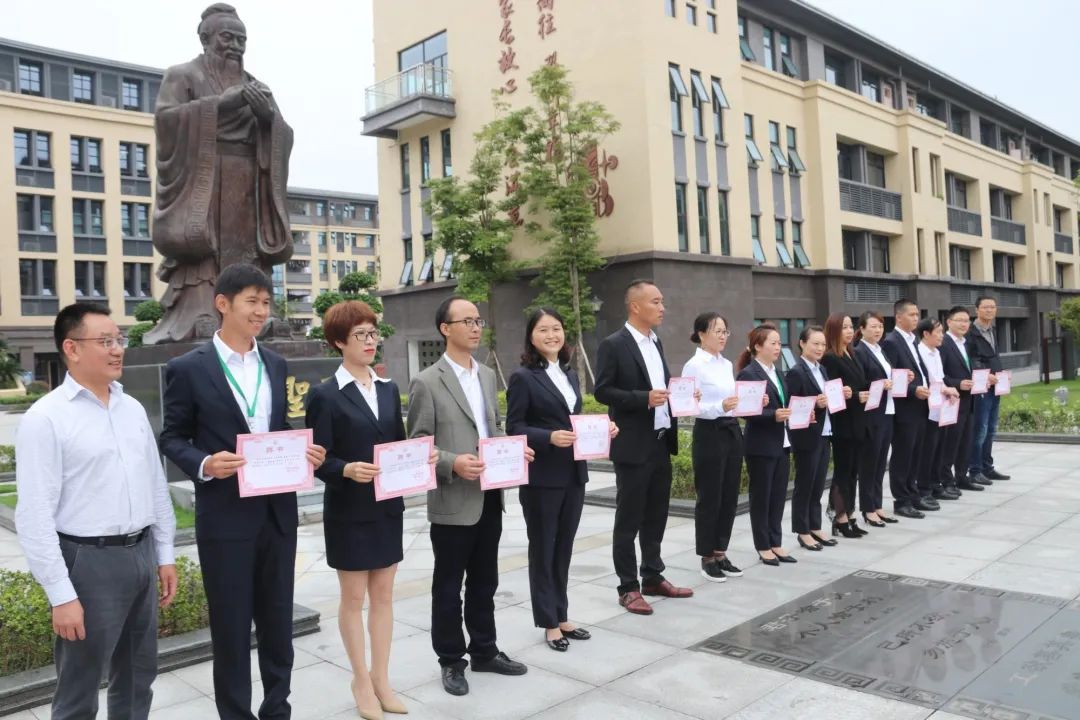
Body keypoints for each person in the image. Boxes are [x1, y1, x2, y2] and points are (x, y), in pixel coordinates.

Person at [159, 264, 326, 720]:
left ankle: (277, 709)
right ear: (223, 304)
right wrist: (205, 464)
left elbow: (277, 426)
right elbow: (172, 437)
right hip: (225, 518)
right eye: (252, 301)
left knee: (278, 624)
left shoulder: (274, 363)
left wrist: (302, 450)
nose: (261, 311)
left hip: (277, 515)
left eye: (266, 303)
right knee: (231, 630)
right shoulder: (188, 369)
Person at [15, 303, 177, 720]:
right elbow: (33, 516)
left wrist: (164, 555)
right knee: (79, 689)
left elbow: (155, 486)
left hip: (140, 553)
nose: (118, 349)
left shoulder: (131, 408)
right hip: (88, 563)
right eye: (105, 341)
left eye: (119, 340)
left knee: (138, 678)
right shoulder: (46, 418)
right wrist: (61, 595)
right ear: (71, 348)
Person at [306, 301, 435, 719]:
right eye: (359, 334)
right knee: (353, 598)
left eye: (373, 333)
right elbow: (318, 459)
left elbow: (396, 444)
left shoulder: (387, 389)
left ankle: (382, 678)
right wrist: (345, 469)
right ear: (338, 342)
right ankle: (360, 680)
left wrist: (420, 457)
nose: (369, 341)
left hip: (386, 506)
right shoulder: (324, 394)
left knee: (383, 597)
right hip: (348, 509)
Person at [407, 296, 534, 697]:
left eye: (478, 320)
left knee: (485, 581)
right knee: (448, 587)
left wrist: (513, 449)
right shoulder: (427, 381)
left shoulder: (487, 375)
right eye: (467, 321)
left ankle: (484, 650)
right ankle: (450, 660)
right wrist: (452, 463)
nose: (476, 327)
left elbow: (491, 429)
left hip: (489, 495)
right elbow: (417, 445)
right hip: (453, 501)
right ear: (445, 329)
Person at [148, 3, 294, 343]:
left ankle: (255, 313)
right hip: (205, 176)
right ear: (206, 38)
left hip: (248, 182)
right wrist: (221, 105)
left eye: (242, 40)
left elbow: (284, 133)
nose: (235, 46)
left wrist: (267, 120)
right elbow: (166, 121)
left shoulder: (256, 85)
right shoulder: (183, 75)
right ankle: (201, 309)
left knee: (248, 251)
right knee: (205, 248)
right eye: (228, 38)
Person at [506, 308, 618, 650]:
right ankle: (549, 621)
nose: (552, 335)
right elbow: (514, 427)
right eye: (543, 330)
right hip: (542, 477)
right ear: (531, 336)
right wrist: (548, 437)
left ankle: (562, 613)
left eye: (556, 328)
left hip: (573, 473)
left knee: (564, 547)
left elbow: (574, 419)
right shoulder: (523, 377)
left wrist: (603, 429)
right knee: (544, 548)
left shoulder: (568, 374)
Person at [594, 279, 695, 615]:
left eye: (662, 301)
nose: (662, 307)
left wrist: (682, 396)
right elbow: (602, 391)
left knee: (656, 514)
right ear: (635, 306)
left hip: (660, 441)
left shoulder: (656, 341)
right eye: (656, 301)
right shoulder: (614, 344)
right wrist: (644, 399)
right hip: (633, 445)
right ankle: (628, 587)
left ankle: (652, 575)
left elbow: (661, 388)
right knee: (629, 519)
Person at [681, 312, 752, 582]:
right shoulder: (693, 366)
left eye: (725, 331)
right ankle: (707, 557)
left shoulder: (726, 364)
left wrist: (749, 401)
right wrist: (719, 406)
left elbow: (732, 399)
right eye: (717, 331)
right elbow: (689, 405)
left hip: (732, 430)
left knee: (729, 494)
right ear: (701, 334)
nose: (723, 336)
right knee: (710, 496)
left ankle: (721, 552)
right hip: (709, 432)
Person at [735, 324, 794, 566]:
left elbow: (784, 404)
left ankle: (775, 542)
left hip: (782, 442)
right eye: (773, 343)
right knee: (762, 497)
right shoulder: (749, 374)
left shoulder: (777, 373)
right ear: (758, 346)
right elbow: (744, 411)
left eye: (779, 343)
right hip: (761, 445)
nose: (778, 347)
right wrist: (772, 415)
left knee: (778, 496)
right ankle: (763, 545)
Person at [785, 326, 844, 551]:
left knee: (818, 484)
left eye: (822, 344)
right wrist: (815, 404)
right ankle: (802, 531)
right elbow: (792, 406)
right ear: (802, 343)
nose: (820, 348)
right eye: (815, 344)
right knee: (805, 485)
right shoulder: (797, 372)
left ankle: (815, 526)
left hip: (824, 432)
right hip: (806, 436)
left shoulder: (823, 370)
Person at [881, 299, 934, 519]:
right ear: (898, 317)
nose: (916, 318)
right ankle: (901, 500)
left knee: (916, 453)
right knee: (903, 455)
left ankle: (913, 495)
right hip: (905, 409)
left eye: (917, 315)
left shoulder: (912, 340)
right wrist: (914, 391)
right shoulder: (892, 342)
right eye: (911, 315)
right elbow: (892, 377)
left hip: (920, 406)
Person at [821, 313, 870, 537]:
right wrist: (855, 396)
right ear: (834, 331)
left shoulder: (852, 353)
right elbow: (832, 392)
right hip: (843, 423)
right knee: (843, 471)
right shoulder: (830, 358)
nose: (850, 331)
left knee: (853, 472)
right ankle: (839, 517)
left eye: (851, 327)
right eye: (844, 327)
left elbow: (859, 384)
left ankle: (849, 514)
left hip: (858, 420)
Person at [852, 312, 897, 530]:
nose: (878, 330)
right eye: (873, 326)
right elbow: (860, 383)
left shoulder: (880, 350)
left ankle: (877, 505)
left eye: (880, 326)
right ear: (861, 329)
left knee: (880, 462)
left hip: (887, 411)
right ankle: (868, 508)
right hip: (871, 414)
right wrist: (880, 384)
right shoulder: (859, 352)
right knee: (869, 463)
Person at [916, 318, 962, 505]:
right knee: (927, 450)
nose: (942, 336)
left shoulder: (936, 353)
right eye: (938, 332)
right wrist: (946, 389)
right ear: (926, 334)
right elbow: (930, 381)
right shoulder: (920, 352)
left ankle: (935, 485)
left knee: (938, 448)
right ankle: (924, 488)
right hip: (927, 408)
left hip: (940, 407)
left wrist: (948, 390)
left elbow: (940, 379)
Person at [940, 306, 985, 493]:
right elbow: (939, 375)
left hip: (969, 401)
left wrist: (981, 379)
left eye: (966, 321)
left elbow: (969, 368)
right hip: (952, 400)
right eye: (959, 320)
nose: (963, 324)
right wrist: (958, 383)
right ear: (949, 322)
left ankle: (961, 476)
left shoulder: (965, 343)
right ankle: (946, 481)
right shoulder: (943, 343)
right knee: (951, 443)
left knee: (965, 441)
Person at [967, 296, 1009, 483]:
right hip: (981, 387)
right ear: (977, 310)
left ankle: (987, 467)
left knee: (991, 429)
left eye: (992, 307)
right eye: (985, 307)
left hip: (996, 385)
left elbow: (993, 357)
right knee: (980, 429)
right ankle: (975, 470)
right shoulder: (970, 333)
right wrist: (986, 375)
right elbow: (971, 360)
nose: (990, 310)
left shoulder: (992, 330)